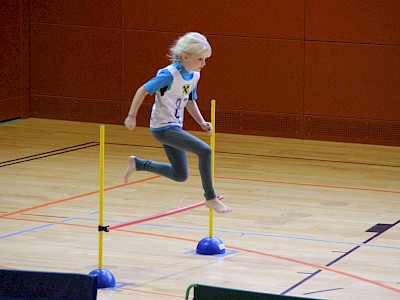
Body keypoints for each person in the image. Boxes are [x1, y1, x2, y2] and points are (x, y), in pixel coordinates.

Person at [123, 32, 232, 213]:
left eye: (205, 59)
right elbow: (142, 90)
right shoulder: (168, 75)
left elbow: (189, 101)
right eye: (200, 59)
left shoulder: (194, 75)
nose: (204, 64)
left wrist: (201, 122)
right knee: (205, 150)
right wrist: (131, 116)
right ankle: (210, 198)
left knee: (180, 175)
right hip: (163, 128)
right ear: (185, 56)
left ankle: (138, 164)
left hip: (175, 126)